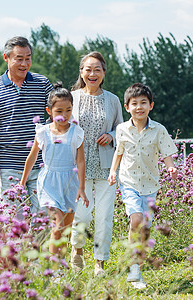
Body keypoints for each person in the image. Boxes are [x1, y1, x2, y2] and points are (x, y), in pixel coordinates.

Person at [108, 83, 177, 286]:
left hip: (150, 184)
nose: (139, 107)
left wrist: (171, 168)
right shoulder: (121, 129)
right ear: (127, 106)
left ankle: (140, 260)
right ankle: (134, 266)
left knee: (145, 227)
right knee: (136, 220)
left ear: (151, 105)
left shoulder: (159, 130)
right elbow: (118, 153)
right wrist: (113, 171)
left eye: (143, 103)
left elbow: (166, 153)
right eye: (135, 103)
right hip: (128, 182)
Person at [0, 36, 53, 219]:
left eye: (28, 58)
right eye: (19, 58)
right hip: (9, 166)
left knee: (43, 219)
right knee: (13, 220)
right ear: (6, 58)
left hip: (40, 164)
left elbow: (59, 114)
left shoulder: (42, 83)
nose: (24, 63)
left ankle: (38, 249)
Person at [69, 51, 124, 276]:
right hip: (77, 166)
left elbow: (122, 129)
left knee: (103, 216)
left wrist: (111, 135)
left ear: (103, 74)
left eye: (97, 70)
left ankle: (100, 262)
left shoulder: (113, 100)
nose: (92, 74)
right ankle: (77, 251)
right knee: (81, 215)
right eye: (88, 69)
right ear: (81, 72)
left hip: (106, 166)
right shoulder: (71, 97)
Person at [19, 82, 88, 256]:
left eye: (68, 110)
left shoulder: (77, 132)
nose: (64, 115)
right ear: (49, 111)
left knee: (66, 228)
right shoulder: (43, 132)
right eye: (59, 111)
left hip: (70, 183)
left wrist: (81, 188)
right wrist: (22, 181)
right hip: (49, 183)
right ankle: (54, 268)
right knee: (57, 226)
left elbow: (80, 162)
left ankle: (62, 265)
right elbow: (33, 156)